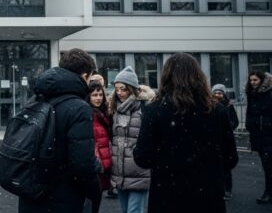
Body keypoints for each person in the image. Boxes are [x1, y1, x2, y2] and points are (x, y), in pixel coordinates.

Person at [134, 53, 238, 213]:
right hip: (208, 196)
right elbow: (231, 158)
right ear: (198, 77)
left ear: (166, 77)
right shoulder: (217, 111)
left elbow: (142, 157)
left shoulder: (154, 110)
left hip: (167, 195)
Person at [18, 48, 99, 213]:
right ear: (84, 76)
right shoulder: (79, 108)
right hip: (63, 197)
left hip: (33, 193)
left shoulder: (36, 99)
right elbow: (82, 164)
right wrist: (95, 190)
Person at [109, 66, 154, 213]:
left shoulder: (145, 107)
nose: (120, 92)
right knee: (126, 210)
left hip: (139, 170)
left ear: (132, 88)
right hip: (120, 171)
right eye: (117, 89)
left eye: (124, 88)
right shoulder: (115, 108)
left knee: (134, 211)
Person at [84, 80, 112, 213]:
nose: (98, 98)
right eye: (94, 95)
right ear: (88, 96)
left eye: (100, 95)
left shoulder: (103, 114)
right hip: (94, 168)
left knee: (95, 205)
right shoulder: (88, 114)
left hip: (101, 169)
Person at [245, 70, 272, 204]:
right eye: (251, 80)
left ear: (261, 80)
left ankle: (268, 193)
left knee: (268, 166)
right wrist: (250, 126)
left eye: (255, 80)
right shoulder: (252, 94)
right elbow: (250, 113)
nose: (252, 83)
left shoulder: (269, 94)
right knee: (267, 165)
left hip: (268, 135)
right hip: (259, 135)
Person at [212, 83, 239, 199]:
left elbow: (235, 120)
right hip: (214, 139)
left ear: (223, 94)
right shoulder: (209, 105)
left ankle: (228, 189)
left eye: (220, 93)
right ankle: (217, 188)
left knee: (226, 167)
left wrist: (229, 127)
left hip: (225, 139)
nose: (218, 95)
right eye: (216, 93)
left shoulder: (228, 106)